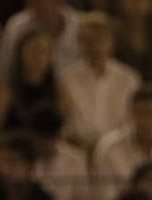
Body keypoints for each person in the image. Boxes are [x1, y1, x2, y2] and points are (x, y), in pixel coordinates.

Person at [56, 11, 140, 150]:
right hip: (78, 149)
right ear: (79, 42)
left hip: (119, 151)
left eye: (99, 40)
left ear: (111, 42)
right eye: (88, 41)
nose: (94, 47)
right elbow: (64, 121)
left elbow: (131, 122)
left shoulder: (129, 78)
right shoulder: (67, 78)